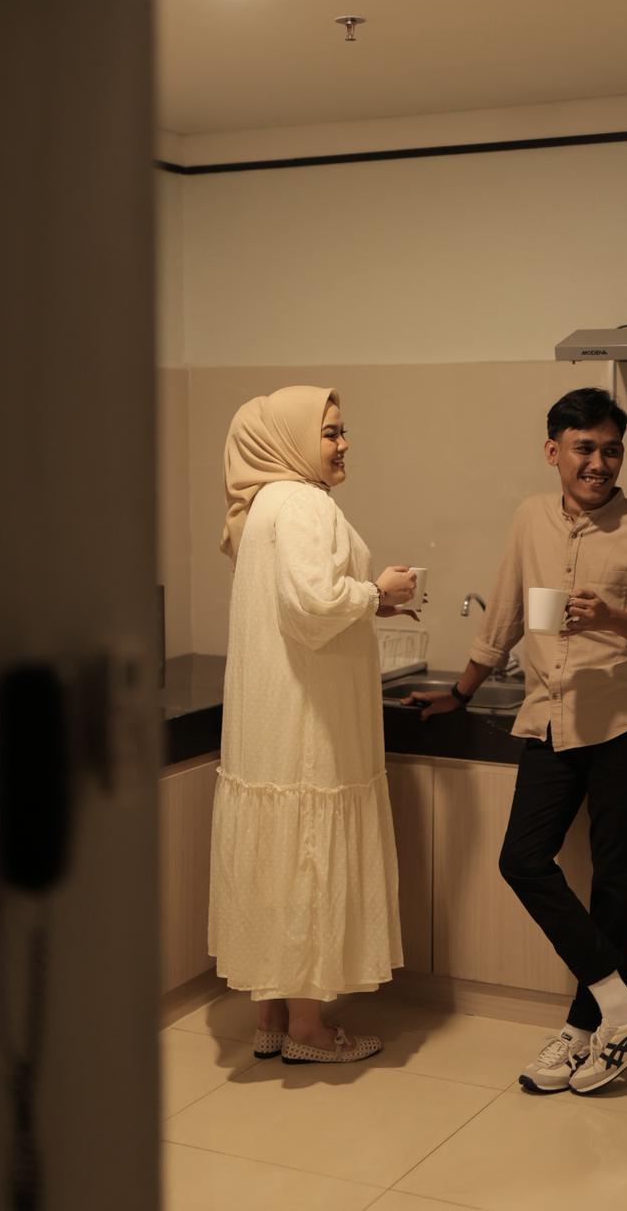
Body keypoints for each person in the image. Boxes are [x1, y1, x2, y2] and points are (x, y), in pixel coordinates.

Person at [406, 387, 627, 1094]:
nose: (599, 462)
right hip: (548, 715)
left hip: (624, 721)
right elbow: (505, 615)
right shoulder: (530, 519)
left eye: (611, 450)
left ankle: (587, 1029)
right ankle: (621, 1009)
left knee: (615, 882)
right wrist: (461, 692)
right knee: (522, 860)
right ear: (552, 451)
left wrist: (617, 619)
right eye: (584, 448)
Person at [209, 385, 419, 1065]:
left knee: (276, 857)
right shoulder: (304, 504)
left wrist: (370, 607)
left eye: (341, 430)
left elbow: (299, 601)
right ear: (293, 440)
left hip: (272, 719)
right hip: (310, 723)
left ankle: (271, 1018)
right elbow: (313, 604)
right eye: (330, 433)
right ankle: (308, 1030)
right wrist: (379, 590)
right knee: (305, 853)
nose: (343, 443)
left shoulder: (264, 504)